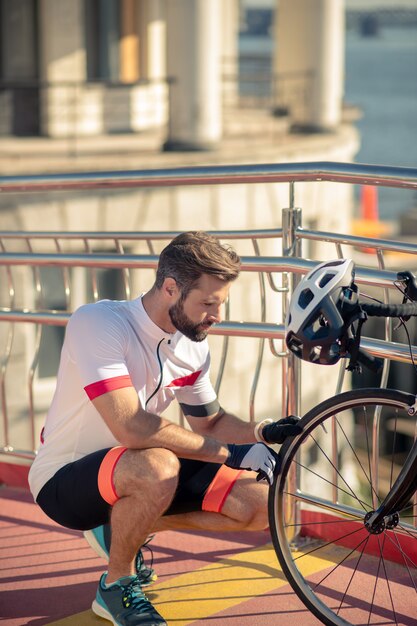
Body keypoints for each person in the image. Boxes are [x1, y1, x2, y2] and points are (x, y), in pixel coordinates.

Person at [28, 231, 302, 626]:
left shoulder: (192, 346)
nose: (216, 315)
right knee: (157, 464)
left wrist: (263, 432)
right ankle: (116, 585)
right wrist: (231, 454)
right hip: (65, 480)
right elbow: (131, 428)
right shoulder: (100, 323)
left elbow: (210, 422)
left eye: (221, 303)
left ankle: (119, 528)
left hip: (138, 470)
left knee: (260, 503)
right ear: (171, 288)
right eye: (208, 303)